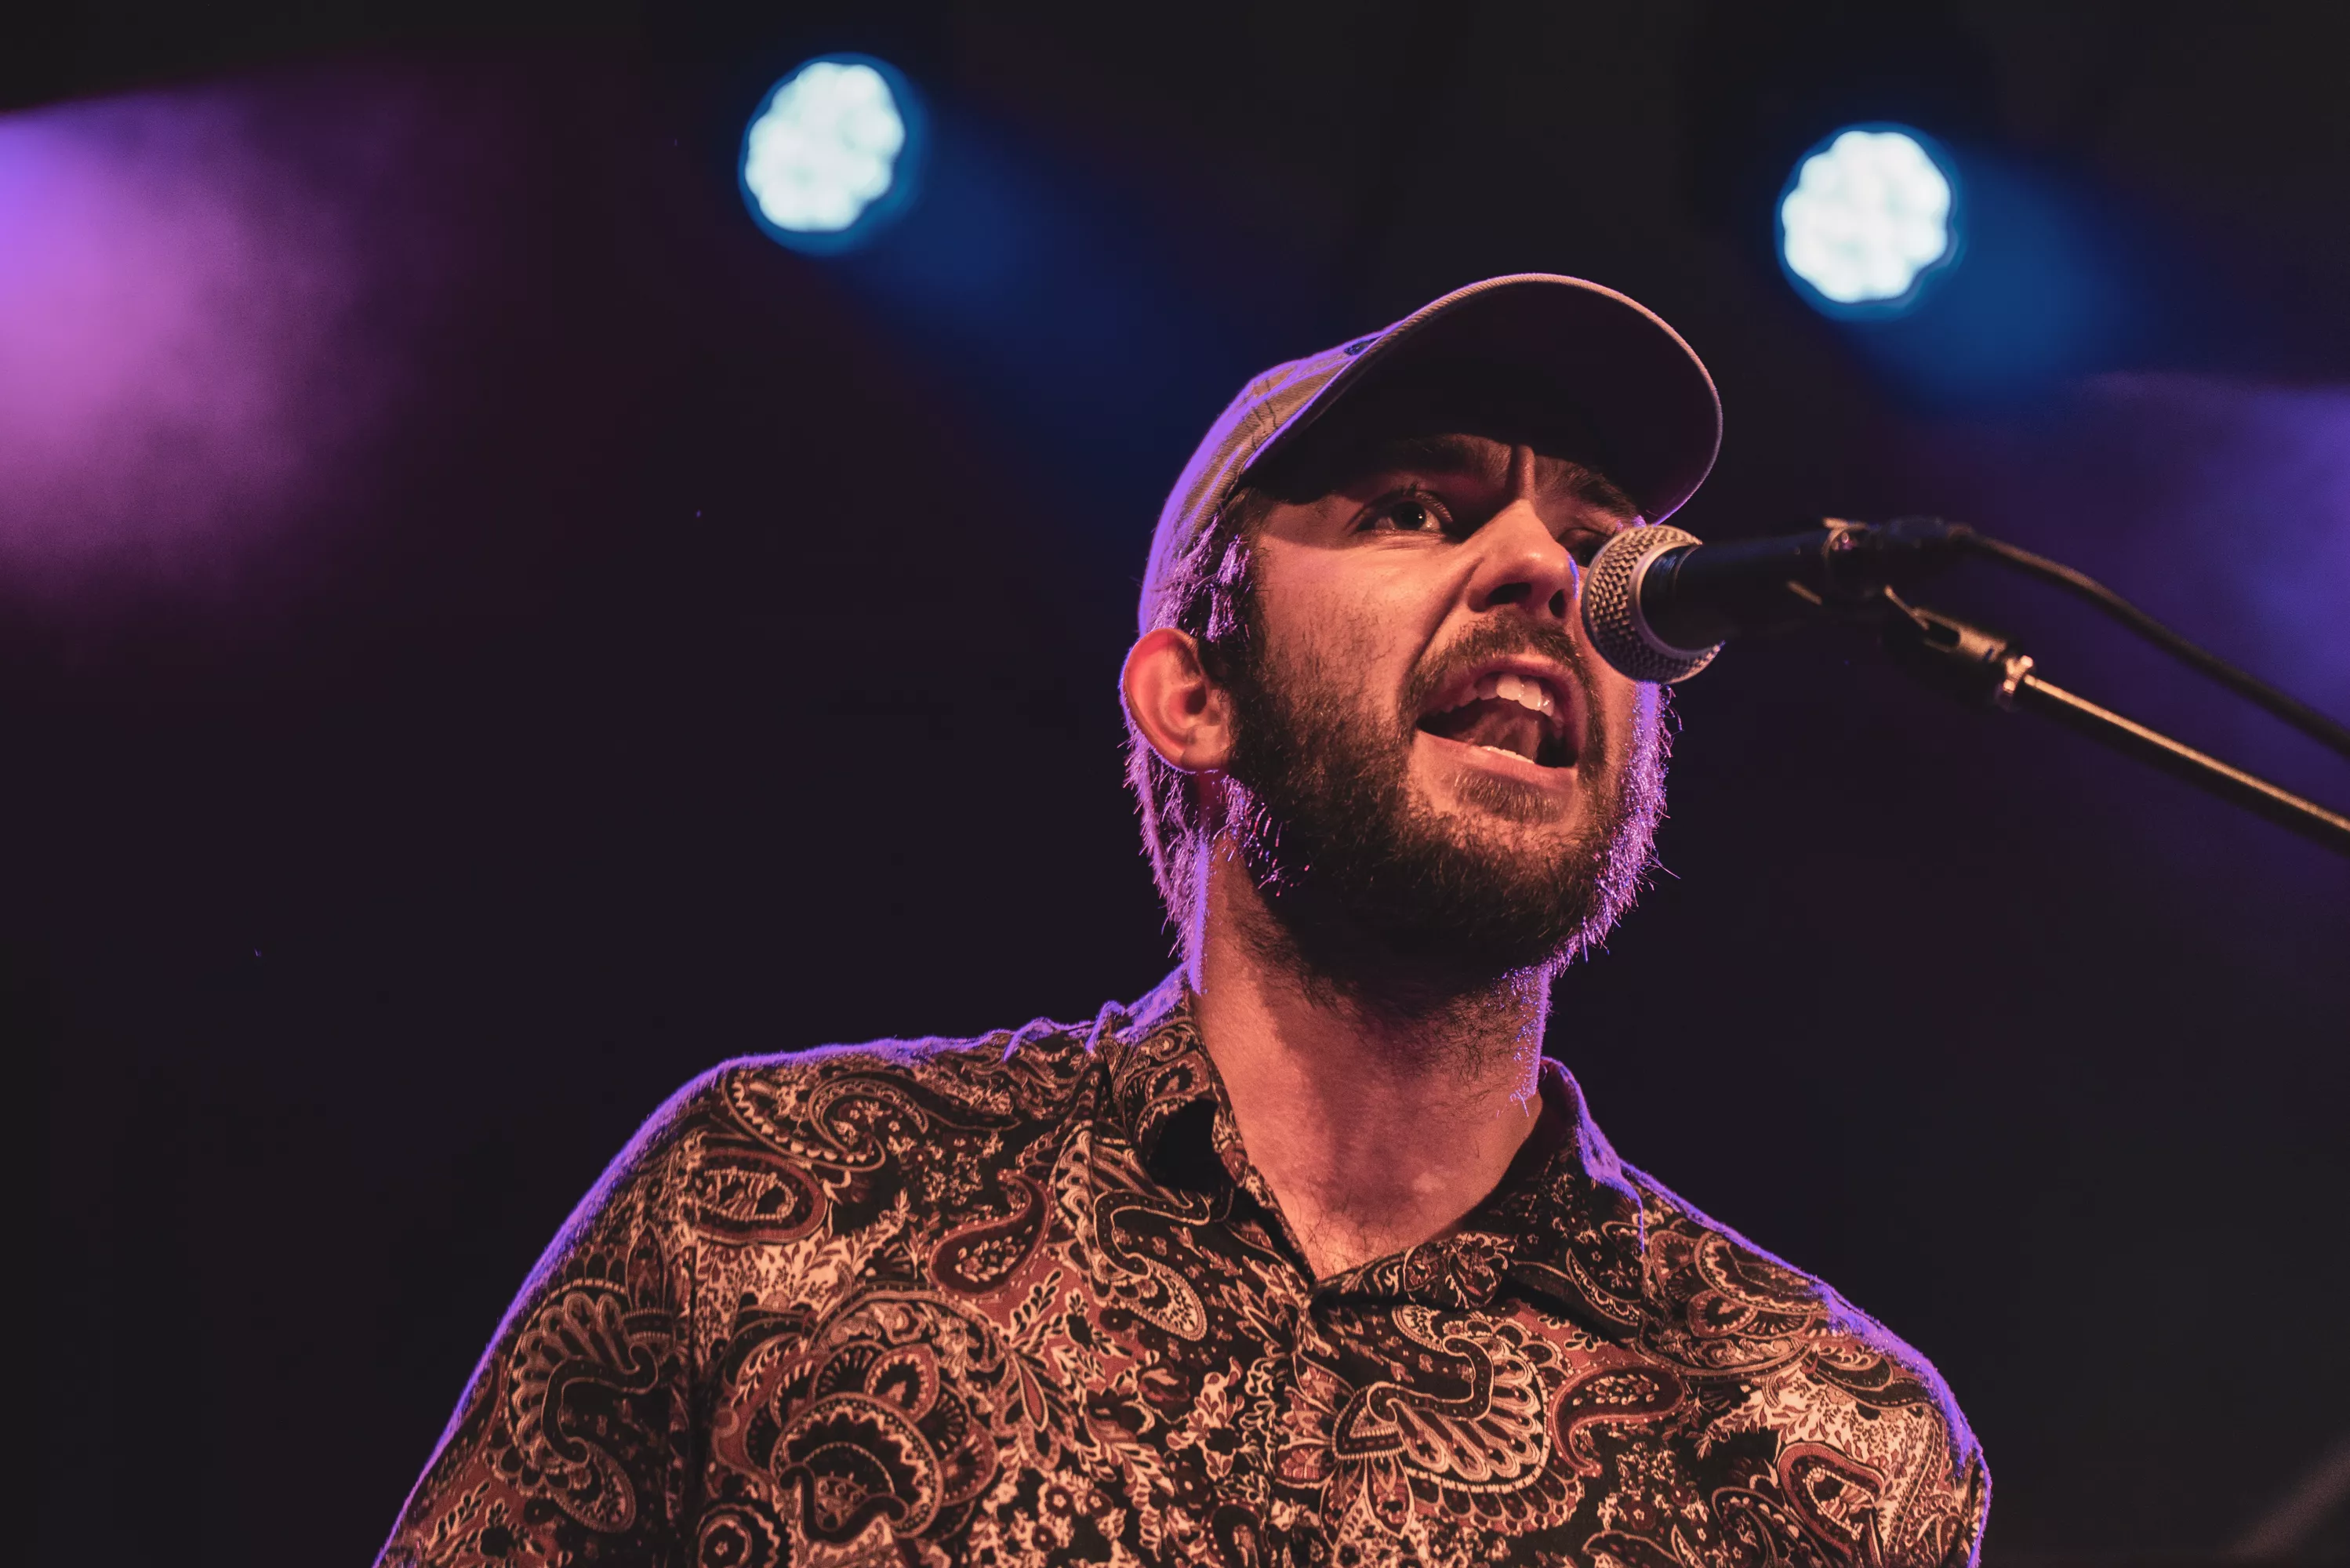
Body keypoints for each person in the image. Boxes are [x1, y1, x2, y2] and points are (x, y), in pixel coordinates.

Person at [376, 275, 1988, 1568]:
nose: (1544, 575)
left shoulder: (1831, 1447)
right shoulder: (777, 1203)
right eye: (1417, 510)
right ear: (1195, 695)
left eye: (1594, 542)